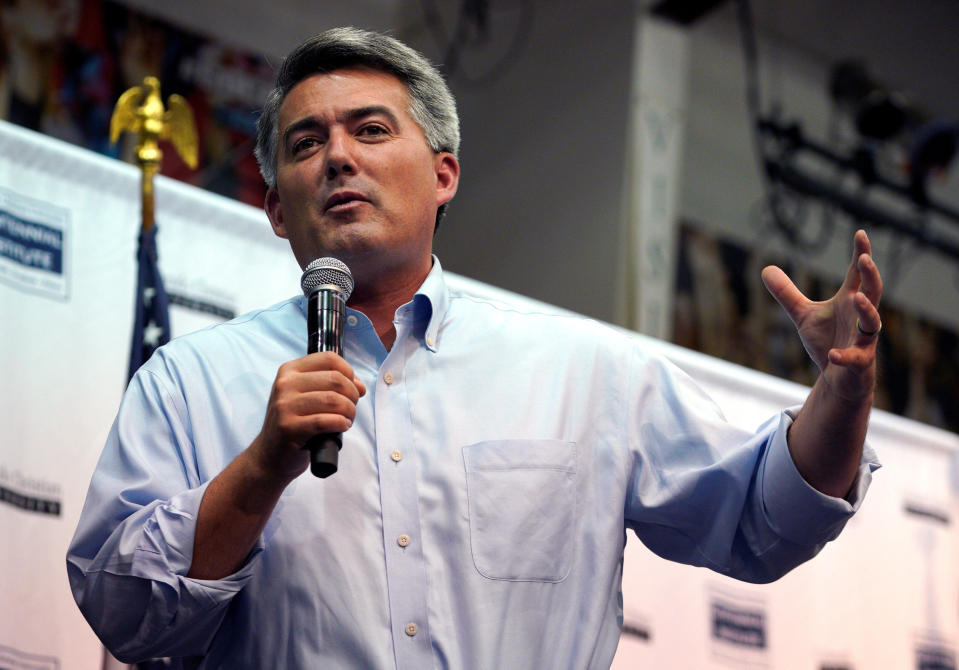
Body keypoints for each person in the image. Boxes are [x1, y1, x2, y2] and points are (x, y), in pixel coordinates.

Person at [67, 27, 882, 669]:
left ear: (445, 174)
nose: (338, 156)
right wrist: (260, 469)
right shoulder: (188, 381)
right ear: (277, 210)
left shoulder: (586, 370)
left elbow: (761, 518)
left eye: (370, 129)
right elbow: (124, 615)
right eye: (305, 143)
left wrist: (840, 401)